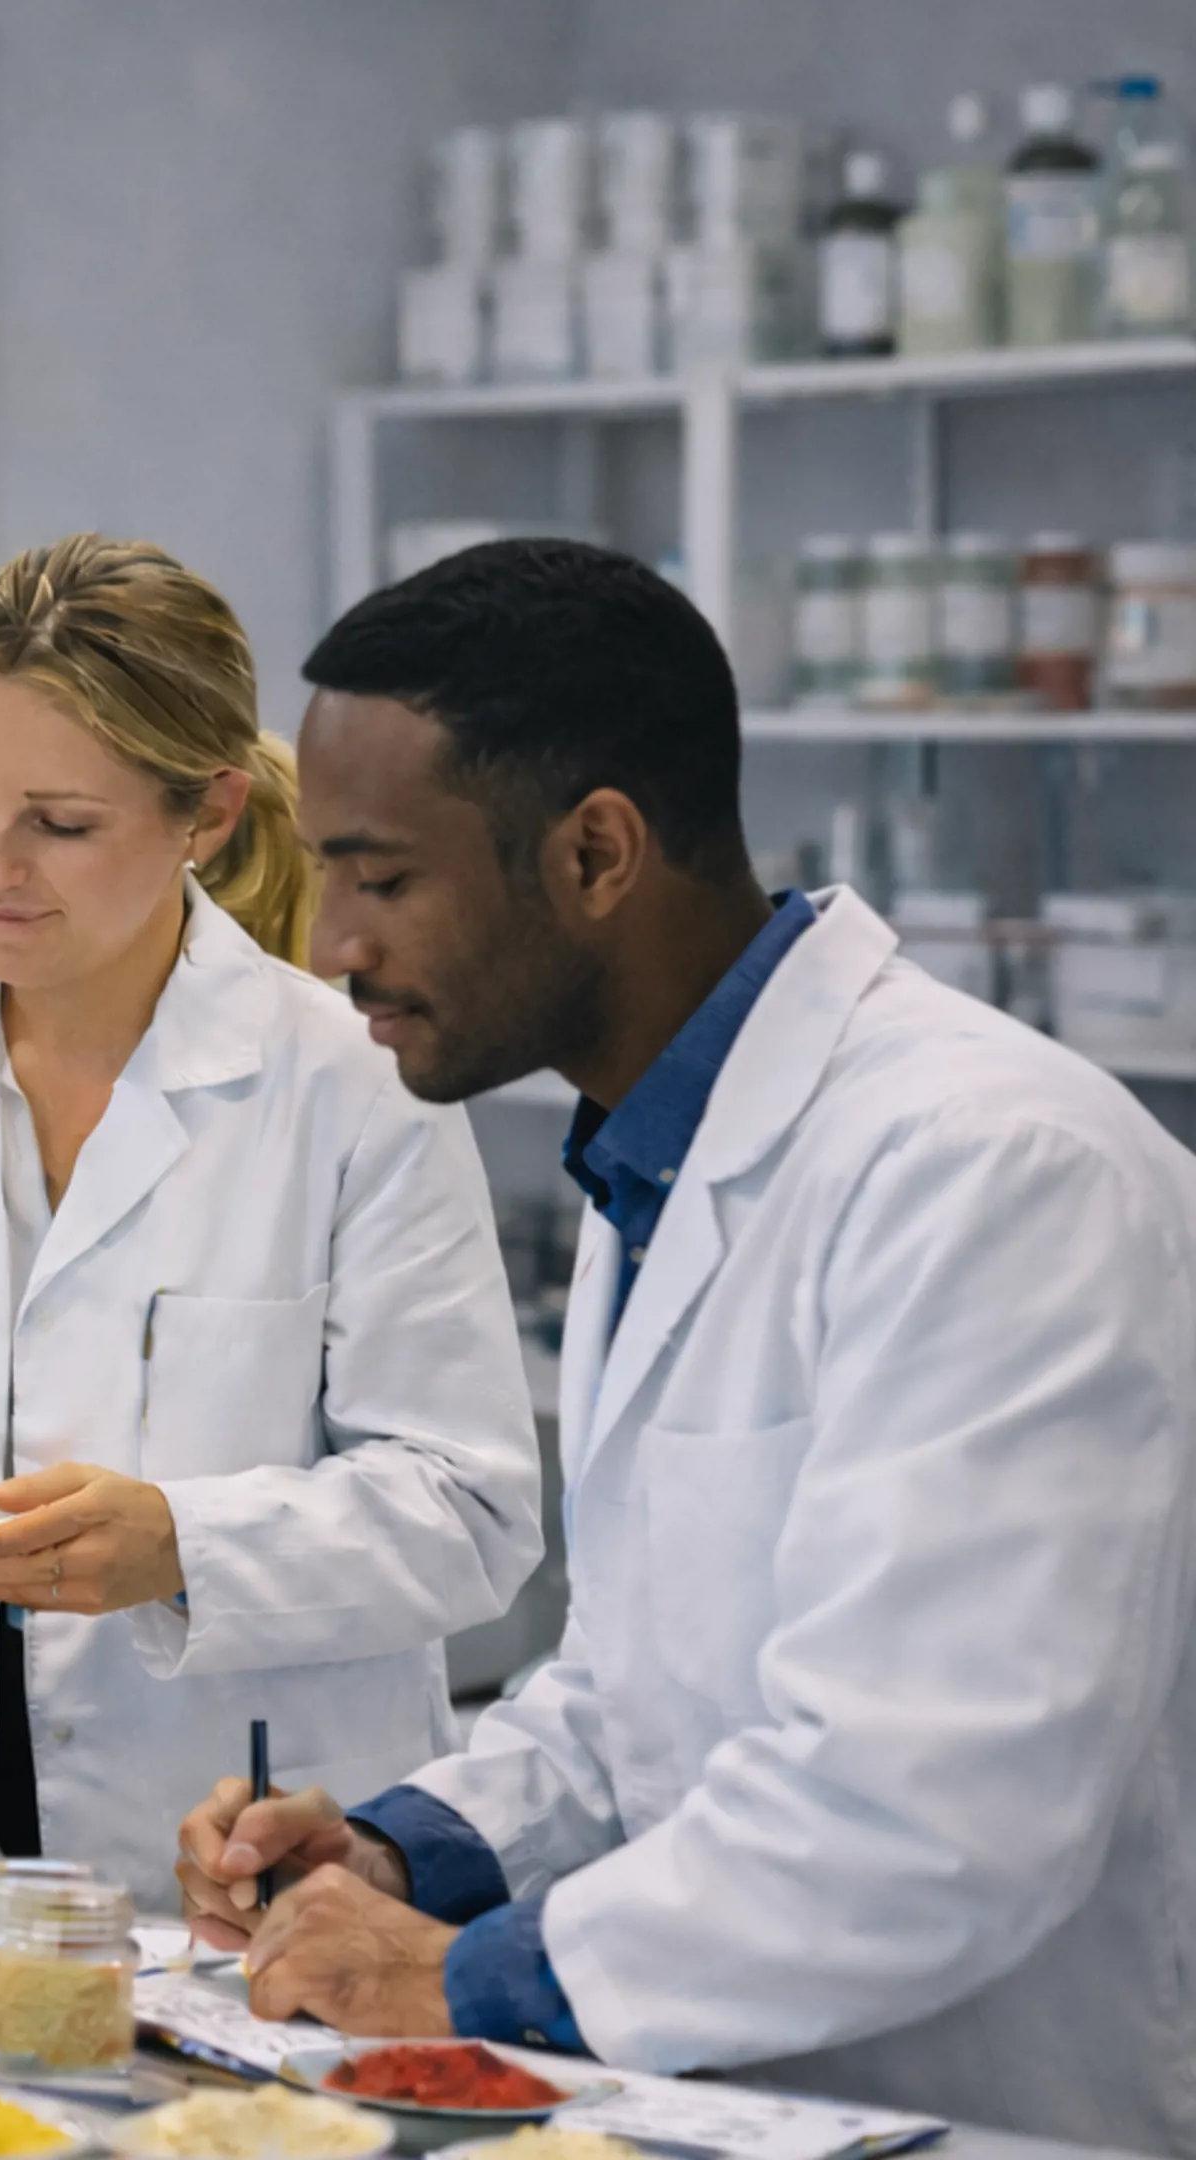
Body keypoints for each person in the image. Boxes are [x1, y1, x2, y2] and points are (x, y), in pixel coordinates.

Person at [172, 537, 1196, 2153]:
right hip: (749, 2108)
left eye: (379, 878)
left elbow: (926, 1815)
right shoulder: (661, 1157)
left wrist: (469, 1979)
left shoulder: (994, 1173)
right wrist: (405, 1853)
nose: (330, 946)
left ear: (594, 854)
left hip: (995, 2116)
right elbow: (650, 1691)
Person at [0, 535, 542, 1890]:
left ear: (206, 816)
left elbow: (469, 1512)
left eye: (64, 824)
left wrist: (184, 1549)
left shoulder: (354, 1084)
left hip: (233, 1853)